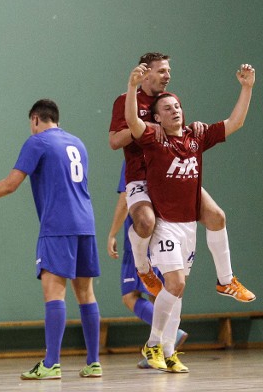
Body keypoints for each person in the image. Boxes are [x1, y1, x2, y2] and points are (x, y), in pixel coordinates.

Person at [0, 99, 102, 380]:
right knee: (86, 293)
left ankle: (51, 364)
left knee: (54, 293)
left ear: (35, 120)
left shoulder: (38, 142)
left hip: (57, 225)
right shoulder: (77, 142)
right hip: (86, 223)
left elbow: (10, 184)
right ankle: (93, 363)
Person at [125, 63, 256, 372]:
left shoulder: (196, 138)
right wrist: (131, 87)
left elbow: (235, 122)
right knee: (175, 282)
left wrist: (247, 87)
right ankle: (153, 343)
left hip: (187, 227)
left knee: (177, 289)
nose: (174, 111)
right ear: (157, 118)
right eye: (167, 108)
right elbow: (132, 121)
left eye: (177, 107)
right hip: (165, 225)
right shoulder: (155, 140)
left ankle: (168, 351)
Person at [109, 52, 255, 302]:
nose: (168, 76)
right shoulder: (128, 100)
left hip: (171, 175)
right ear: (145, 72)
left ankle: (226, 280)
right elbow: (114, 141)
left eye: (169, 71)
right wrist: (144, 131)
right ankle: (143, 269)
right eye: (162, 71)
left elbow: (187, 134)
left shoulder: (169, 102)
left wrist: (190, 125)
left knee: (217, 216)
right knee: (145, 223)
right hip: (142, 178)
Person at [107, 161, 188, 368]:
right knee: (156, 294)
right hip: (164, 233)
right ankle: (158, 350)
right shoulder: (163, 154)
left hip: (141, 238)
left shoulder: (132, 157)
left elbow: (125, 199)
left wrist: (112, 233)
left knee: (130, 296)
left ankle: (170, 333)